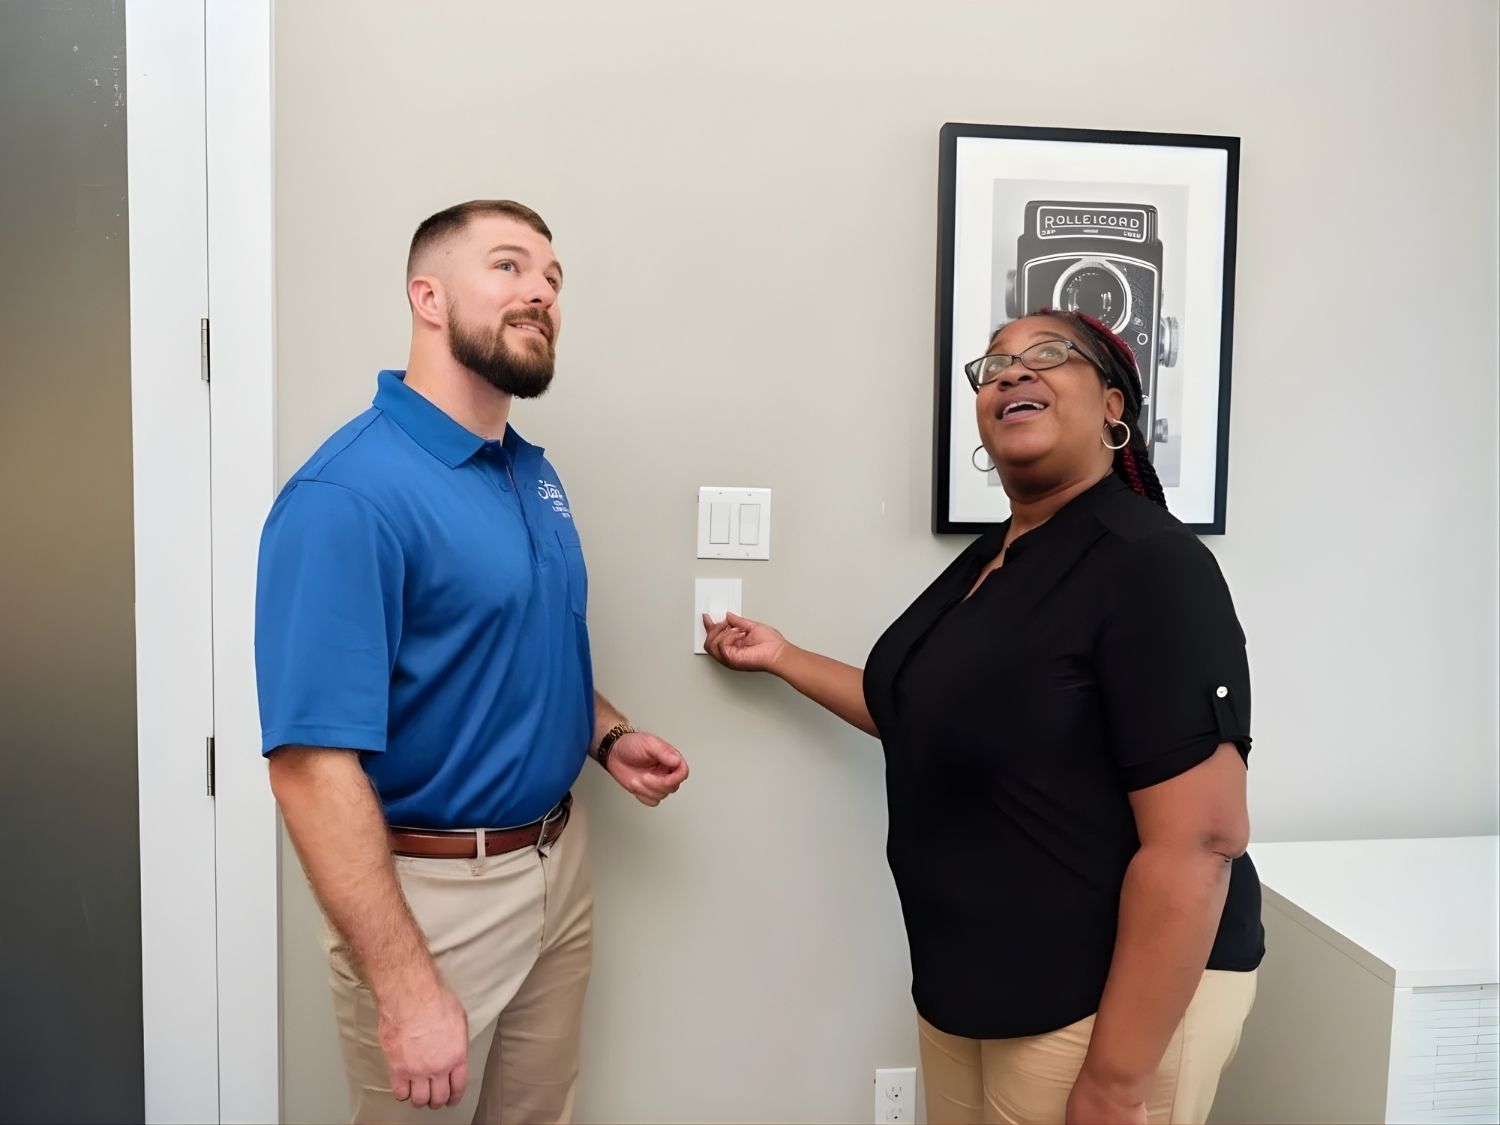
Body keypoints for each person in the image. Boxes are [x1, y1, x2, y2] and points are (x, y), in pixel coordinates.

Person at [703, 309, 1262, 1125]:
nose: (1011, 372)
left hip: (1100, 1007)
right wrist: (784, 655)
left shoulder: (1150, 565)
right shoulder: (999, 554)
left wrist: (1113, 1083)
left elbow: (1201, 841)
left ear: (1114, 406)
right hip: (971, 988)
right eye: (994, 365)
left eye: (1047, 355)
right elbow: (926, 711)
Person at [255, 199, 689, 1125]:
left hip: (556, 865)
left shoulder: (529, 470)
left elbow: (512, 651)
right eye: (507, 266)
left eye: (552, 277)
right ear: (428, 296)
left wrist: (605, 735)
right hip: (431, 900)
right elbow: (307, 767)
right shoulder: (347, 496)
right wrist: (408, 989)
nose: (539, 290)